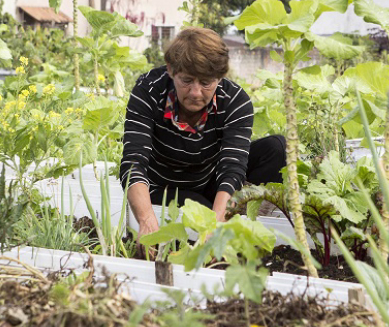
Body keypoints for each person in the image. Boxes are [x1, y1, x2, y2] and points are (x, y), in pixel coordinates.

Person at [119, 27, 286, 246]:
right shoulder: (149, 90)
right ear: (171, 70)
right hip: (164, 187)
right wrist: (147, 220)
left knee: (278, 148)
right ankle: (218, 212)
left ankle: (243, 216)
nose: (196, 92)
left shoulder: (235, 101)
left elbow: (232, 166)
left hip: (208, 178)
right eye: (187, 81)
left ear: (219, 78)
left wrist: (215, 223)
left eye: (206, 83)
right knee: (200, 210)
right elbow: (133, 162)